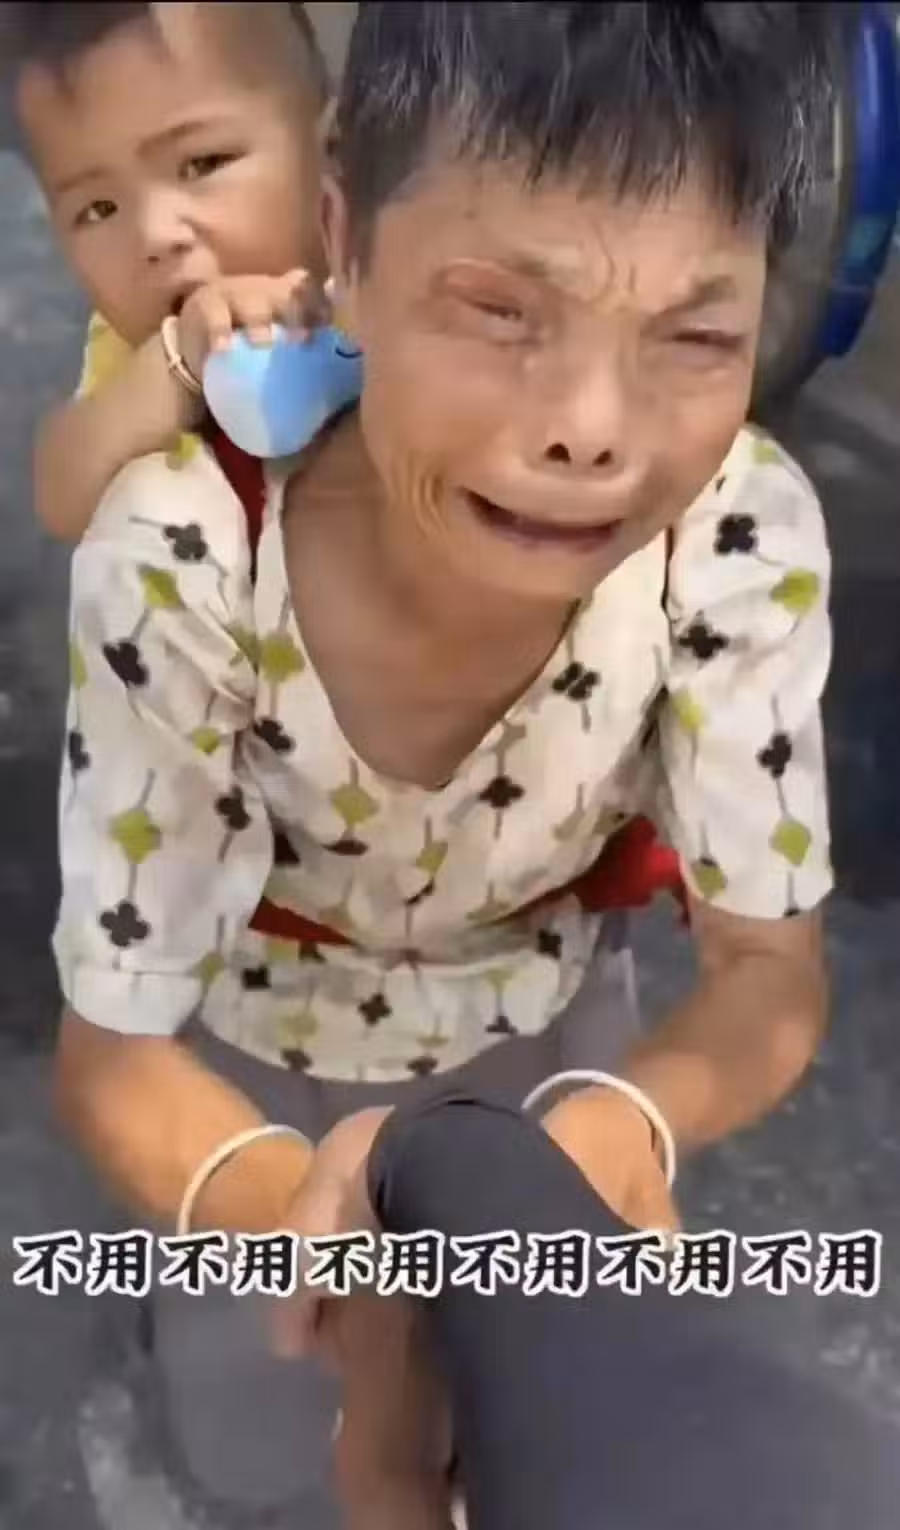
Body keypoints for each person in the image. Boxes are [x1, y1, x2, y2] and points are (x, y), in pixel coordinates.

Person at [13, 0, 839, 1523]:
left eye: (696, 335)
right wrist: (325, 1224)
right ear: (346, 240)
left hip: (551, 1017)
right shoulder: (182, 557)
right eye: (499, 310)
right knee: (260, 1414)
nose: (590, 430)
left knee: (532, 1411)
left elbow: (767, 971)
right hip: (255, 1046)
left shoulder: (738, 536)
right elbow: (115, 1056)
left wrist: (632, 1117)